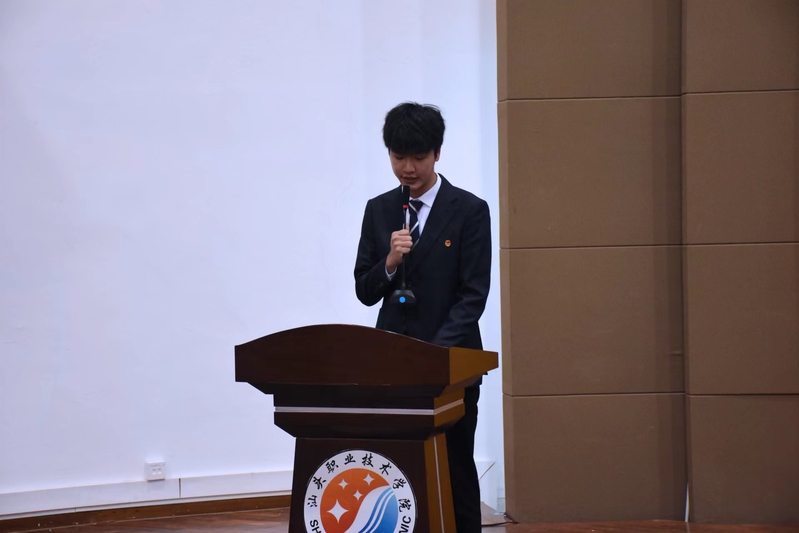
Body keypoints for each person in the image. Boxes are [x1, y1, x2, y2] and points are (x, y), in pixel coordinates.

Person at [354, 102, 491, 533]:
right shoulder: (379, 209)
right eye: (399, 157)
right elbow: (364, 290)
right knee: (396, 467)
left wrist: (433, 355)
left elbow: (473, 296)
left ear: (437, 153)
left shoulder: (469, 210)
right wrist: (390, 262)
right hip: (391, 368)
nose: (408, 168)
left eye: (418, 157)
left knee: (455, 466)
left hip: (451, 367)